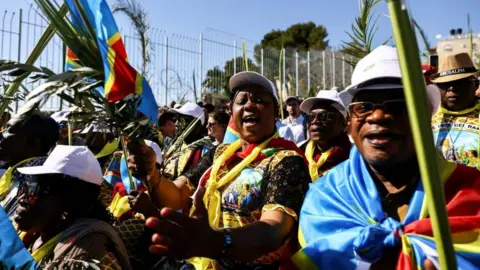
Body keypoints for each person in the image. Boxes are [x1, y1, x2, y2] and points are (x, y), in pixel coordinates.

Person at [293, 46, 480, 269]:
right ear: (349, 125)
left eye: (399, 106)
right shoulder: (326, 199)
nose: (378, 116)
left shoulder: (470, 193)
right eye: (363, 107)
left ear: (425, 118)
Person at [130, 71, 310, 269]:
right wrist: (152, 174)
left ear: (275, 112)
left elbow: (274, 230)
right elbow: (175, 195)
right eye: (241, 101)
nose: (249, 105)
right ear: (232, 112)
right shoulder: (219, 154)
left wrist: (219, 242)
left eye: (260, 100)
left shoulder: (285, 160)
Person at [13, 145, 132, 269]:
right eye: (24, 187)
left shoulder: (92, 247)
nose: (21, 199)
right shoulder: (34, 235)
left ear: (66, 202)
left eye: (33, 190)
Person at [0, 112, 59, 215]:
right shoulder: (16, 176)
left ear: (34, 145)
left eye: (10, 130)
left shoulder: (35, 185)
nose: (1, 134)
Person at [430, 53, 480, 168]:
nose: (452, 88)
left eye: (460, 82)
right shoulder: (427, 118)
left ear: (474, 85)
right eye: (445, 84)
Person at [298, 90, 351, 181]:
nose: (315, 121)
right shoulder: (298, 152)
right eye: (311, 117)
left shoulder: (353, 158)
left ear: (343, 123)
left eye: (323, 116)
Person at [162, 102, 212, 180]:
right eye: (176, 120)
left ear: (196, 125)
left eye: (181, 120)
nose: (176, 124)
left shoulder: (207, 151)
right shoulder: (175, 146)